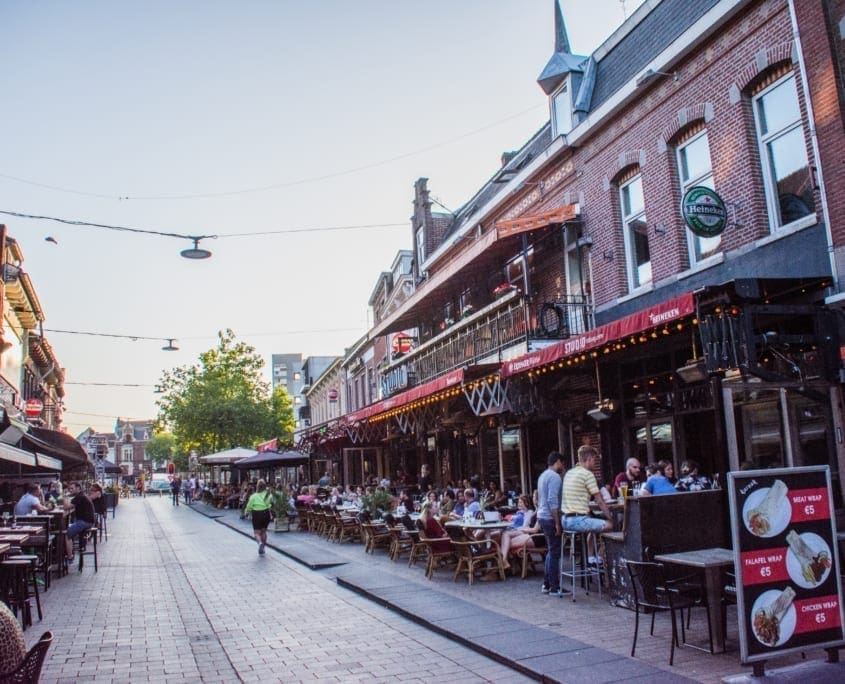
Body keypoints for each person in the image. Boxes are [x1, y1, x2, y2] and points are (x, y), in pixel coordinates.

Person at [561, 445, 613, 565]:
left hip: (565, 520)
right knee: (611, 526)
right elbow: (599, 500)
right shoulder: (588, 474)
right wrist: (610, 517)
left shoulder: (569, 473)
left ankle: (590, 558)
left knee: (594, 524)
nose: (595, 463)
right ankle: (599, 559)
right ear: (589, 459)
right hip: (578, 520)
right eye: (594, 460)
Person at [537, 451, 564, 595]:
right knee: (555, 552)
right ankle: (554, 586)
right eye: (562, 463)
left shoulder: (543, 476)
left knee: (550, 551)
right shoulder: (555, 477)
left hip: (542, 516)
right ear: (558, 462)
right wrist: (557, 523)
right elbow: (552, 501)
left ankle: (547, 584)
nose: (563, 467)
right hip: (549, 517)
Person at [499, 494, 539, 570]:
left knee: (504, 535)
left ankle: (503, 560)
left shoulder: (530, 512)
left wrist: (518, 529)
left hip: (524, 531)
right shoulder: (519, 512)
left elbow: (527, 525)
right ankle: (504, 561)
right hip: (518, 530)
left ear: (526, 503)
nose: (518, 504)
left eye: (521, 502)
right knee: (501, 534)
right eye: (518, 502)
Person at [64, 481, 95, 562]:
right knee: (70, 528)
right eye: (69, 488)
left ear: (78, 488)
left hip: (85, 522)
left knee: (67, 535)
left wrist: (64, 496)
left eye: (72, 488)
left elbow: (66, 507)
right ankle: (71, 552)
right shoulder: (81, 495)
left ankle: (70, 558)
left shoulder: (79, 497)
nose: (70, 490)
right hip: (88, 521)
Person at [243, 479, 272, 555]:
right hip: (266, 513)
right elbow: (270, 504)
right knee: (263, 532)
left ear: (257, 487)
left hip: (257, 514)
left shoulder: (253, 496)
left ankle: (260, 543)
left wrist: (246, 513)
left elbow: (249, 506)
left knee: (256, 533)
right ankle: (263, 549)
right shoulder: (268, 495)